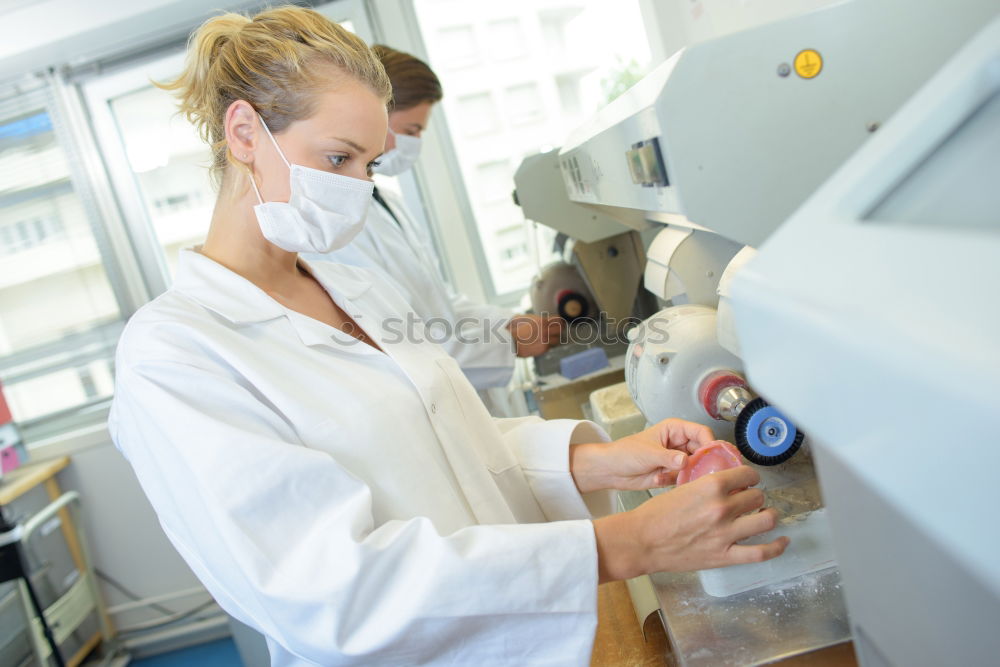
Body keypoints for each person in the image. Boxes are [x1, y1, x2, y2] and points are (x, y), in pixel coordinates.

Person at [108, 7, 788, 666]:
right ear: (244, 132)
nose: (357, 188)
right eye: (338, 157)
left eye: (368, 165)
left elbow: (447, 443)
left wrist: (599, 459)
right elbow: (331, 595)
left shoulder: (350, 288)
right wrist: (628, 543)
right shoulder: (175, 357)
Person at [305, 45, 561, 391]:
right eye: (411, 131)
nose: (415, 142)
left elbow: (440, 304)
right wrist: (508, 343)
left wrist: (508, 323)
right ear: (378, 114)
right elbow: (401, 339)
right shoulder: (335, 221)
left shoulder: (387, 201)